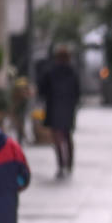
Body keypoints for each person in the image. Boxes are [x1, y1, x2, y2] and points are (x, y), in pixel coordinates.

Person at [37, 44, 81, 178]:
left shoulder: (50, 71)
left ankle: (61, 164)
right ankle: (70, 164)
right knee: (67, 135)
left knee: (57, 137)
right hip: (68, 106)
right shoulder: (72, 71)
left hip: (54, 105)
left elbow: (42, 89)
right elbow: (78, 91)